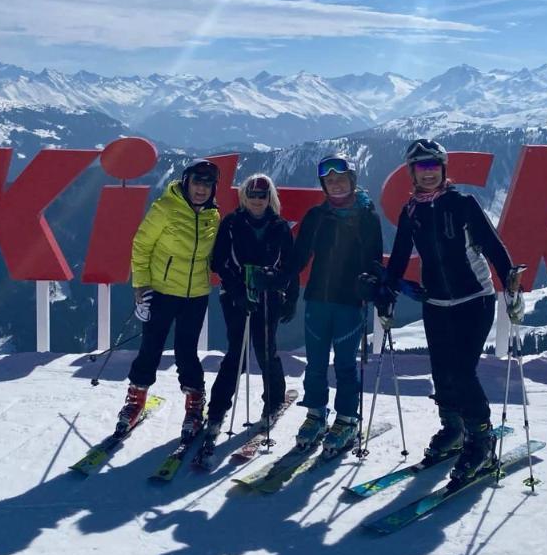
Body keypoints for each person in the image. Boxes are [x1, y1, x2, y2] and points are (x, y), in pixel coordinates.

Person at [383, 138, 524, 479]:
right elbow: (400, 255)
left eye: (433, 167)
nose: (428, 174)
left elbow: (492, 244)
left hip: (474, 300)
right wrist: (387, 289)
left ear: (443, 170)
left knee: (462, 372)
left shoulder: (462, 203)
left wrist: (511, 285)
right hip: (436, 304)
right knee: (442, 371)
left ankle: (481, 440)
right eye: (421, 168)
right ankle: (454, 429)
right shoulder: (411, 211)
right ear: (412, 173)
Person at [286, 155, 383, 456]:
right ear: (323, 185)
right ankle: (315, 412)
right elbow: (299, 256)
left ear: (352, 181)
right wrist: (277, 277)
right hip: (317, 299)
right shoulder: (317, 216)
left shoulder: (367, 216)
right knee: (314, 363)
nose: (336, 184)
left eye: (340, 179)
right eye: (329, 181)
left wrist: (372, 282)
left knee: (344, 364)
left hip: (349, 303)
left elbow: (375, 260)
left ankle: (346, 418)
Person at [117, 159, 221, 438]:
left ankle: (195, 404)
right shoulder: (164, 208)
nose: (201, 189)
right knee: (150, 348)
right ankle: (135, 400)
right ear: (186, 182)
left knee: (187, 352)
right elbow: (141, 245)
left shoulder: (214, 216)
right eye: (197, 182)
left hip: (196, 295)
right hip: (161, 292)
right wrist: (140, 286)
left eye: (207, 184)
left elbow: (214, 256)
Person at [203, 174, 295, 451]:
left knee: (266, 348)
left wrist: (289, 296)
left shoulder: (279, 227)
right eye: (252, 195)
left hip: (268, 296)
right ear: (244, 196)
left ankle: (275, 399)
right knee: (237, 353)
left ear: (270, 198)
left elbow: (290, 266)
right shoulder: (231, 223)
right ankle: (217, 408)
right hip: (235, 297)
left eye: (262, 196)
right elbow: (219, 260)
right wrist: (236, 291)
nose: (257, 200)